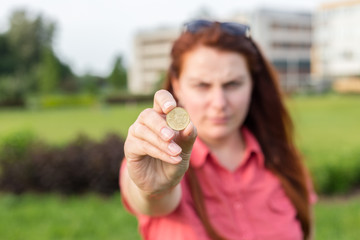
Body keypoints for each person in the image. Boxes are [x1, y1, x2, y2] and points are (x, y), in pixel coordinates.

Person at [120, 19, 316, 240]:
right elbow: (149, 197)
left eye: (233, 84)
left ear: (252, 84)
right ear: (177, 86)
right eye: (202, 85)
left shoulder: (285, 160)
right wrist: (153, 189)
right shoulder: (155, 157)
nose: (219, 102)